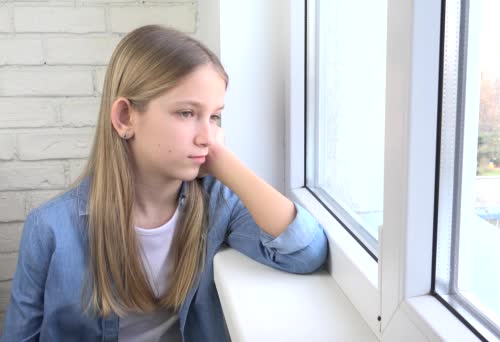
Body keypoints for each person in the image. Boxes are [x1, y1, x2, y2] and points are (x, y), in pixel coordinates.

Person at [1, 25, 328, 342]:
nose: (206, 136)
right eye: (187, 113)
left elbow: (305, 251)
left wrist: (225, 162)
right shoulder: (50, 228)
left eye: (215, 117)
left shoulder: (218, 207)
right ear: (125, 118)